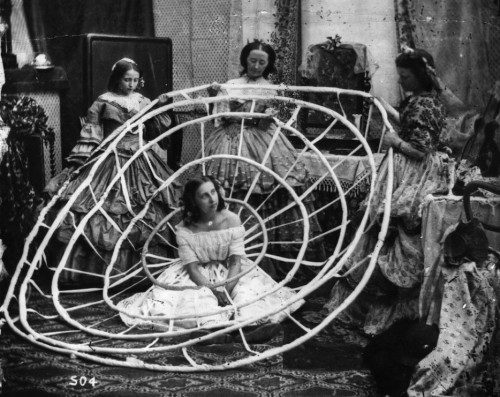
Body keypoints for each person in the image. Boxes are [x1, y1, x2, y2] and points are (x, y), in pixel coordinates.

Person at [324, 48, 451, 335]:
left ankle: (386, 318)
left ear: (420, 76)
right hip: (409, 169)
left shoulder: (423, 104)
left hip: (412, 173)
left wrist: (393, 140)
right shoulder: (428, 101)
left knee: (392, 232)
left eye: (406, 77)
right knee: (378, 234)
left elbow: (419, 149)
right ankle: (372, 313)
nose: (402, 82)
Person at [117, 176, 304, 343]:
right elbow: (192, 269)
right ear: (194, 201)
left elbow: (236, 261)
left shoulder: (232, 220)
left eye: (213, 192)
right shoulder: (184, 229)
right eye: (204, 195)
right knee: (196, 298)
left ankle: (249, 329)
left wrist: (226, 289)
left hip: (232, 272)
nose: (212, 199)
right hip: (196, 274)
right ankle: (211, 330)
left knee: (246, 295)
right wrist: (214, 291)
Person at [45, 58, 180, 284]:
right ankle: (99, 272)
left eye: (135, 80)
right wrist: (81, 161)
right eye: (127, 79)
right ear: (117, 78)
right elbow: (91, 132)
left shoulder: (144, 101)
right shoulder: (103, 102)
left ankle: (147, 269)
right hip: (110, 157)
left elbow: (154, 131)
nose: (131, 84)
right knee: (101, 206)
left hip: (141, 159)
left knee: (150, 206)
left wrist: (158, 106)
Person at [200, 40, 325, 278]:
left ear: (268, 65)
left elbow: (271, 119)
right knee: (227, 190)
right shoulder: (231, 85)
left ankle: (264, 257)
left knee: (268, 188)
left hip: (263, 141)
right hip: (229, 139)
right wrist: (214, 97)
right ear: (245, 60)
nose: (256, 66)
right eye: (252, 61)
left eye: (261, 62)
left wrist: (263, 118)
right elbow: (217, 117)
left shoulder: (271, 88)